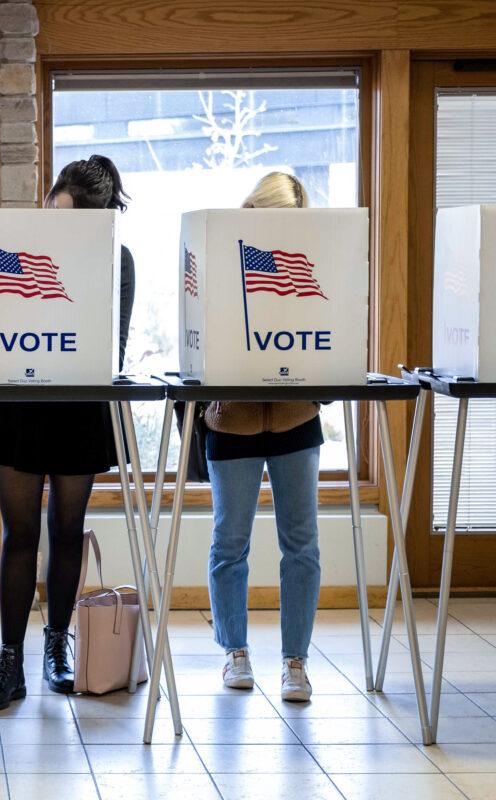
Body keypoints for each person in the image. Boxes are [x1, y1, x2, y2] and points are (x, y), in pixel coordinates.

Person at [0, 156, 135, 711]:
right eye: (50, 214)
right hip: (17, 402)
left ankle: (56, 646)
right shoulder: (17, 250)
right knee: (19, 536)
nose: (55, 226)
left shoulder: (118, 260)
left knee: (67, 531)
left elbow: (115, 348)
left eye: (68, 220)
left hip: (79, 408)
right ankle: (9, 661)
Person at [205, 171, 321, 703]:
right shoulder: (220, 256)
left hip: (296, 417)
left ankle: (295, 662)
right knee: (231, 542)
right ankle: (235, 651)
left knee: (301, 545)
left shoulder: (311, 263)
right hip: (234, 419)